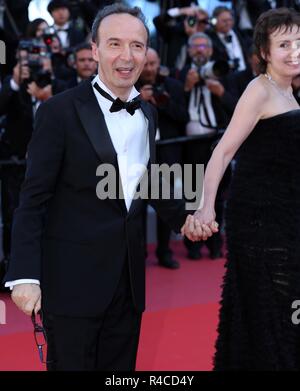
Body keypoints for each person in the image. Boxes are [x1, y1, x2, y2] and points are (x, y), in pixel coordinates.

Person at [3, 4, 211, 371]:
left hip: (129, 284)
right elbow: (32, 199)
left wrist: (187, 217)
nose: (126, 56)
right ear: (95, 49)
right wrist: (24, 275)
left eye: (137, 45)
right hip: (71, 283)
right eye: (114, 44)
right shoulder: (60, 112)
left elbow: (144, 178)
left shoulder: (148, 112)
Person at [194, 7, 300, 370]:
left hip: (287, 215)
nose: (294, 51)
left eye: (299, 42)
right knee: (271, 309)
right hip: (260, 219)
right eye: (284, 44)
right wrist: (206, 206)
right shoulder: (260, 90)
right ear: (264, 52)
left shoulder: (290, 93)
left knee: (282, 309)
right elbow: (222, 152)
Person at [138, 48, 189, 269]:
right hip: (138, 158)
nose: (149, 69)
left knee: (169, 206)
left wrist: (164, 103)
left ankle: (165, 251)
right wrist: (139, 101)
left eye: (153, 64)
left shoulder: (173, 86)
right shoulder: (128, 87)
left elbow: (184, 118)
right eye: (146, 64)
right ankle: (137, 254)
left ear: (159, 63)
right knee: (135, 209)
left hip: (168, 155)